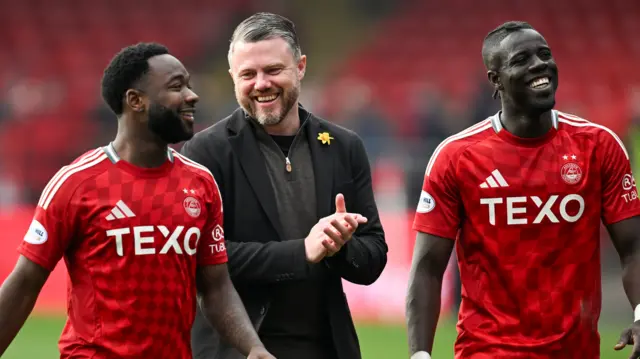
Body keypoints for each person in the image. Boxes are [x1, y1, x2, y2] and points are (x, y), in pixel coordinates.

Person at [0, 42, 274, 359]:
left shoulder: (201, 184)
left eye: (189, 85)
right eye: (176, 87)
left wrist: (253, 347)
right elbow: (24, 283)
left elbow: (215, 287)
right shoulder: (77, 183)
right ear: (136, 101)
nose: (191, 95)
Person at [406, 21, 640, 359]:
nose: (538, 64)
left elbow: (634, 247)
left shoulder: (599, 146)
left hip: (575, 352)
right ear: (495, 79)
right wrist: (420, 355)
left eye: (545, 55)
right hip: (486, 351)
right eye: (521, 59)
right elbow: (427, 267)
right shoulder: (456, 157)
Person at [180, 12, 388, 359]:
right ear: (233, 76)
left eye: (273, 70)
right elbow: (201, 260)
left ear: (301, 67)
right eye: (248, 74)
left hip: (325, 349)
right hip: (240, 351)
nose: (261, 83)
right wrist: (302, 251)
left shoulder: (344, 146)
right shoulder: (205, 151)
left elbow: (374, 257)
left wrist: (341, 248)